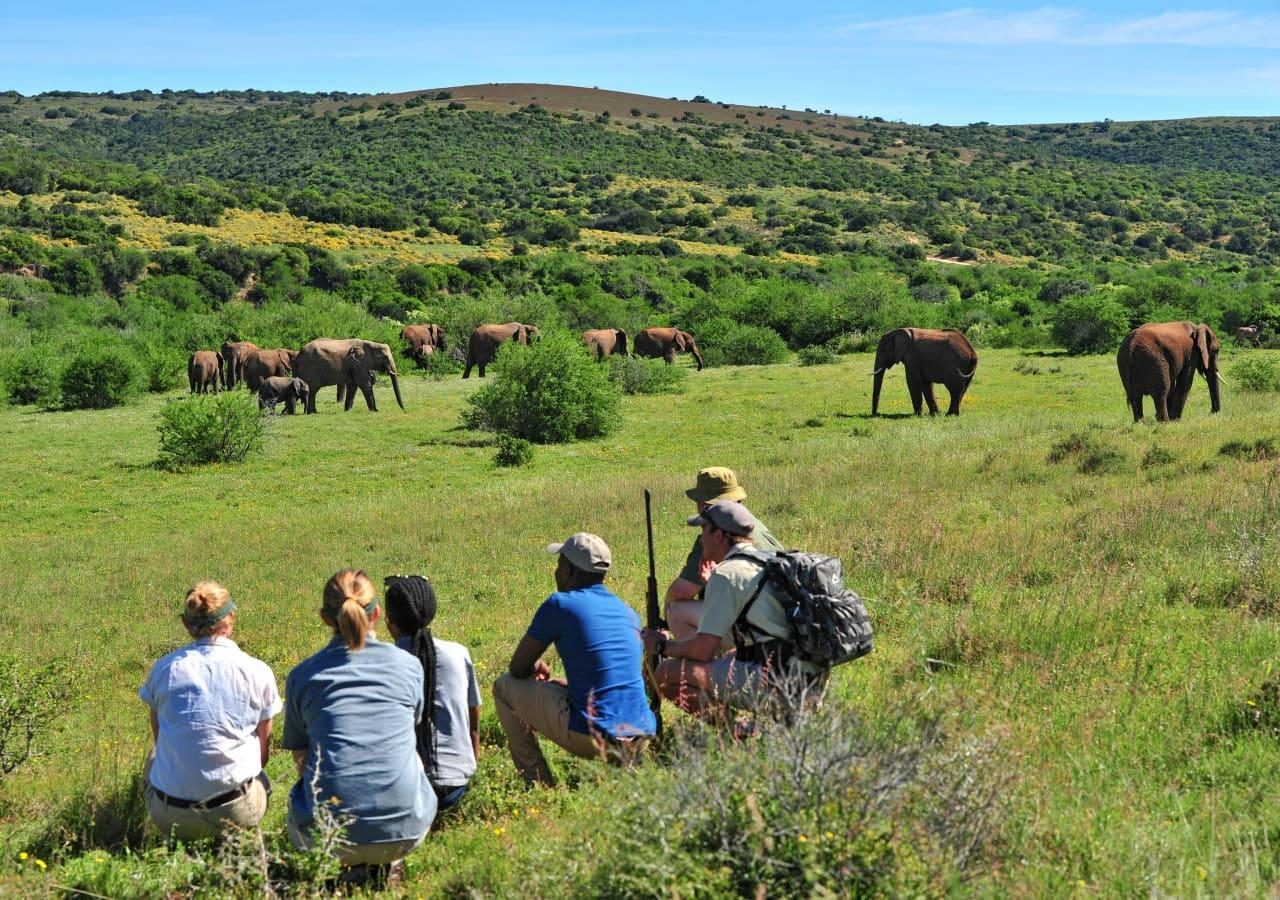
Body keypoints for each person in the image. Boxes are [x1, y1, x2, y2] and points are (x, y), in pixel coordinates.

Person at [282, 569, 436, 875]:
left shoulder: (303, 676)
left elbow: (302, 759)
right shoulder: (409, 666)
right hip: (406, 828)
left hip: (327, 835)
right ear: (378, 613)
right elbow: (411, 727)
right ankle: (387, 856)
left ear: (326, 619)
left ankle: (348, 861)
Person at [493, 533, 657, 786]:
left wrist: (536, 666)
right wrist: (566, 687)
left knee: (504, 686)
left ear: (569, 570)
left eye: (559, 565)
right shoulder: (628, 612)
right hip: (642, 733)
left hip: (594, 734)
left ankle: (537, 783)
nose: (556, 572)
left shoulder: (560, 604)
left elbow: (517, 669)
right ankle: (628, 772)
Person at [645, 501, 826, 719]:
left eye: (703, 530)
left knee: (666, 673)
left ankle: (734, 734)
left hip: (780, 682)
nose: (701, 538)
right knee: (727, 658)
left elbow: (702, 650)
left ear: (719, 535)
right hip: (810, 677)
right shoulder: (766, 560)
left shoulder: (726, 575)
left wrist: (660, 645)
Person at [139, 581, 281, 842]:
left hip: (171, 818)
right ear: (231, 619)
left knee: (154, 754)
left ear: (186, 624)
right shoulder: (256, 670)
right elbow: (263, 754)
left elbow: (159, 740)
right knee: (260, 776)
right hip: (237, 812)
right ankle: (240, 839)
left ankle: (167, 837)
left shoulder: (164, 669)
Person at [383, 574, 481, 813]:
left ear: (388, 621)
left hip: (406, 791)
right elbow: (474, 721)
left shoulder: (382, 663)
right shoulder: (459, 653)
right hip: (457, 785)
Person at [664, 467, 784, 640]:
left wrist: (664, 623)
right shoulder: (755, 525)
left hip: (757, 629)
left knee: (676, 612)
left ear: (704, 505)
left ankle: (703, 665)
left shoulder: (714, 536)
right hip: (779, 621)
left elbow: (680, 592)